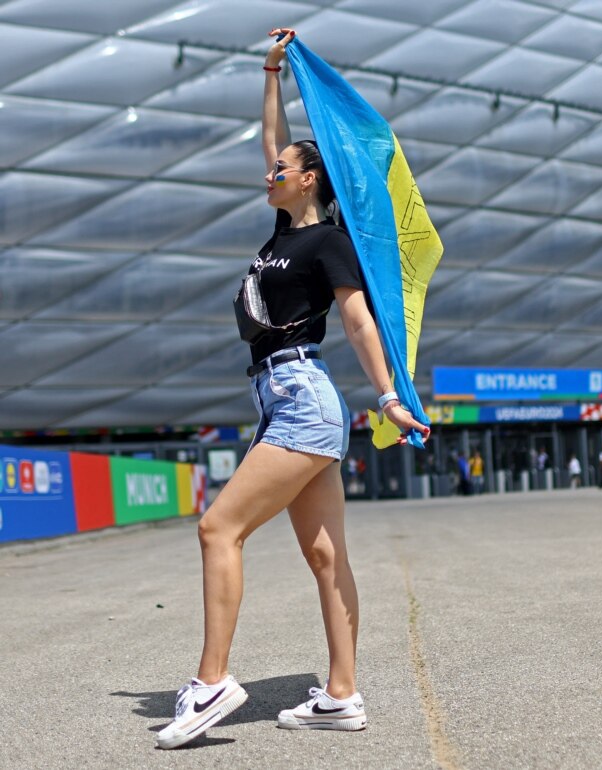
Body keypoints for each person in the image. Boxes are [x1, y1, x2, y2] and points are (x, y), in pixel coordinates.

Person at [155, 28, 430, 751]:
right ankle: (341, 696)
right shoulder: (282, 231)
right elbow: (270, 137)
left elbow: (356, 318)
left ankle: (211, 682)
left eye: (281, 169)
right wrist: (272, 74)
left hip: (302, 395)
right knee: (324, 556)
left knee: (218, 529)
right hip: (281, 397)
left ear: (310, 177)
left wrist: (388, 393)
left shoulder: (325, 241)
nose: (269, 172)